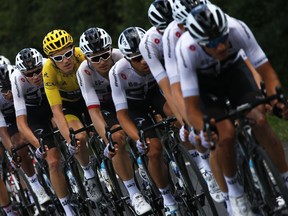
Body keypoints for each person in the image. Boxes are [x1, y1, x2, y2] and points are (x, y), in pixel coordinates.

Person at [176, 3, 288, 216]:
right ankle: (235, 191)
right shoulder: (186, 48)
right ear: (199, 43)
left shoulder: (236, 28)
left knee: (260, 119)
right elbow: (191, 106)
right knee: (224, 135)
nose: (220, 47)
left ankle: (284, 179)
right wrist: (203, 129)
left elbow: (268, 73)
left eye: (222, 39)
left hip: (233, 71)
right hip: (205, 84)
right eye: (214, 43)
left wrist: (278, 100)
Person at [77, 27, 152, 215]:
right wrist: (107, 139)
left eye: (104, 55)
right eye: (95, 58)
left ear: (111, 49)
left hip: (127, 100)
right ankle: (133, 192)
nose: (102, 62)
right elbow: (93, 112)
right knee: (117, 137)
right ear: (86, 58)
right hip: (103, 107)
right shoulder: (84, 71)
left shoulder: (120, 57)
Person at [110, 26, 181, 216]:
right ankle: (168, 199)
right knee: (154, 149)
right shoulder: (117, 72)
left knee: (180, 119)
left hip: (157, 96)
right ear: (126, 58)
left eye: (143, 55)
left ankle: (202, 166)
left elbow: (173, 90)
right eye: (136, 58)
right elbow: (122, 115)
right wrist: (137, 139)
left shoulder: (156, 54)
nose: (143, 61)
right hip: (134, 108)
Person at [13, 48, 76, 215]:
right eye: (30, 74)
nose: (35, 76)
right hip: (35, 115)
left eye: (37, 71)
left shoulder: (50, 66)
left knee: (74, 134)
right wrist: (37, 145)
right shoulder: (17, 80)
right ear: (22, 74)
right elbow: (21, 123)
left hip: (55, 105)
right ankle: (67, 209)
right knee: (53, 162)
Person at [42, 29, 103, 203]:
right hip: (68, 105)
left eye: (68, 54)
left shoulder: (82, 56)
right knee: (79, 137)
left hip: (88, 97)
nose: (66, 60)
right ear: (51, 60)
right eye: (58, 58)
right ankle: (88, 173)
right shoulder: (48, 71)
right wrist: (69, 140)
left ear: (73, 49)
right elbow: (57, 111)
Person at [0, 58, 50, 215]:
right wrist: (13, 152)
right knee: (19, 145)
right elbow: (2, 132)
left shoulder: (18, 78)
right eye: (3, 90)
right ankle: (34, 184)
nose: (8, 93)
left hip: (25, 111)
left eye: (10, 88)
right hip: (7, 121)